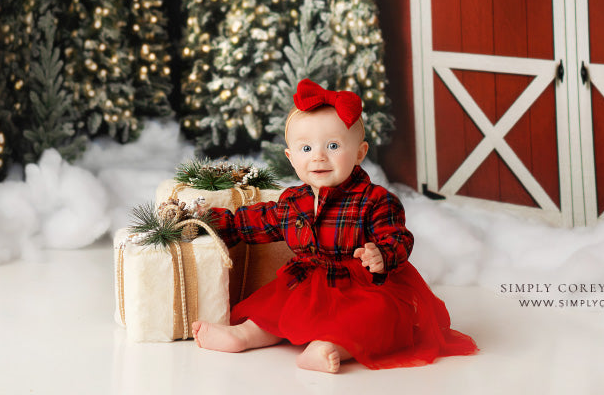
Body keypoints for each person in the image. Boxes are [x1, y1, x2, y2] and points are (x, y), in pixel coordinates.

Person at [191, 78, 478, 373]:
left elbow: (398, 237)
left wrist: (381, 254)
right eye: (305, 148)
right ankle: (246, 335)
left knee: (373, 318)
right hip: (310, 282)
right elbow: (251, 222)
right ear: (290, 158)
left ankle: (331, 347)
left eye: (333, 145)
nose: (318, 156)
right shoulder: (292, 202)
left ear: (359, 153)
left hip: (364, 286)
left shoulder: (375, 200)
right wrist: (206, 221)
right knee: (276, 304)